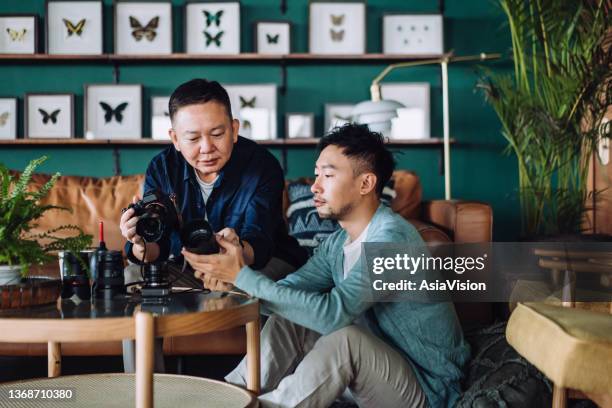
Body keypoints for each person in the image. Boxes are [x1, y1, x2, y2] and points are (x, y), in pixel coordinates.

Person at [183, 123, 471, 408]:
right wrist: (234, 281)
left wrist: (243, 277)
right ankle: (227, 395)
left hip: (427, 386)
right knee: (290, 317)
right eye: (317, 174)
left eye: (328, 175)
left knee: (347, 339)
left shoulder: (391, 240)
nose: (315, 186)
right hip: (378, 367)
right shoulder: (338, 243)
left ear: (366, 183)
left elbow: (334, 314)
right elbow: (288, 291)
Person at [119, 78, 307, 285]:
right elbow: (157, 248)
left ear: (234, 130)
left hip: (257, 263)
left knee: (241, 286)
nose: (207, 147)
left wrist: (232, 260)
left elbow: (259, 243)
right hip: (188, 266)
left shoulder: (262, 166)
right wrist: (140, 242)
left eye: (217, 134)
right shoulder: (161, 168)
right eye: (193, 138)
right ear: (175, 139)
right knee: (133, 277)